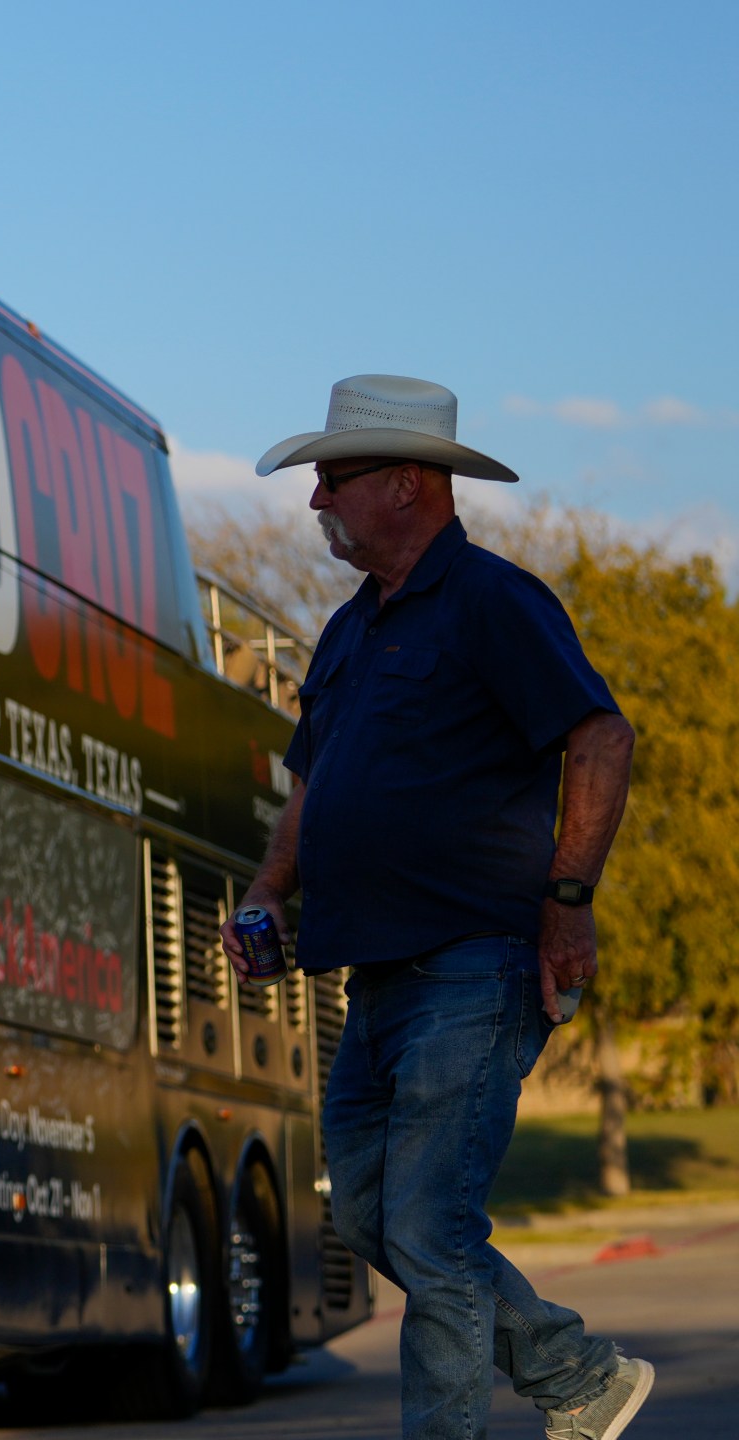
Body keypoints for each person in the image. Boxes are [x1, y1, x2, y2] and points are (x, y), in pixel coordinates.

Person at [222, 376, 650, 1440]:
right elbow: (315, 788)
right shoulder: (344, 633)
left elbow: (600, 738)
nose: (314, 494)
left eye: (333, 475)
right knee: (375, 1216)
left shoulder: (494, 604)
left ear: (407, 485)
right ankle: (577, 1377)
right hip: (373, 975)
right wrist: (271, 892)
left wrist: (568, 901)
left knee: (428, 1223)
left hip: (473, 966)